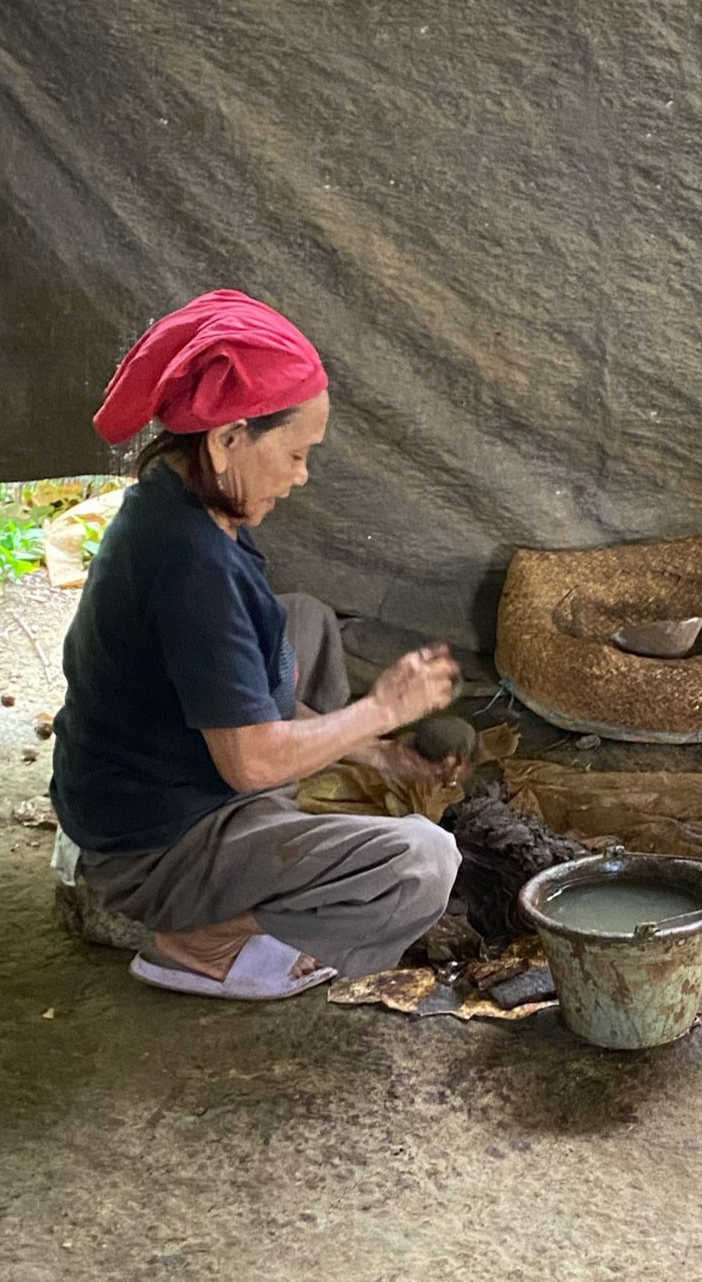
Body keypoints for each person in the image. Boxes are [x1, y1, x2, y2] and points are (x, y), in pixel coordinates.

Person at [51, 289, 465, 999]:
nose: (303, 475)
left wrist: (380, 752)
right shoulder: (191, 565)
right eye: (297, 453)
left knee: (301, 620)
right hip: (151, 845)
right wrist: (379, 709)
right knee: (425, 861)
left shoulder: (171, 501)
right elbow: (249, 760)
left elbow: (238, 690)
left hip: (128, 789)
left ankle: (252, 863)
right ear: (228, 438)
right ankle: (201, 938)